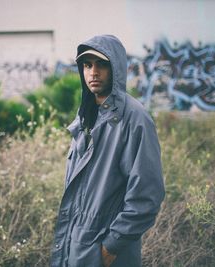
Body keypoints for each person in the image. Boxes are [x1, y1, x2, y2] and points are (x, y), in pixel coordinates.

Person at [50, 35, 165, 267]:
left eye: (102, 64)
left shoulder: (135, 119)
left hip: (107, 252)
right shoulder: (86, 115)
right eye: (87, 65)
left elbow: (147, 194)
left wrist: (112, 245)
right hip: (76, 247)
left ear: (116, 68)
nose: (93, 72)